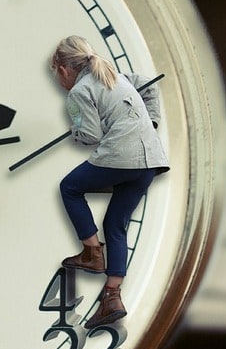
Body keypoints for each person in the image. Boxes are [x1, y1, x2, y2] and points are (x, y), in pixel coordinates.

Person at [50, 35, 169, 329]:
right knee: (116, 223)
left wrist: (75, 129)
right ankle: (112, 297)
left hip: (120, 156)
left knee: (70, 188)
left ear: (64, 69)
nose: (56, 77)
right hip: (150, 160)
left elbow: (90, 136)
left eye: (55, 70)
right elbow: (148, 83)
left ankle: (93, 253)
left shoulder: (78, 92)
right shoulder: (114, 74)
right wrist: (150, 123)